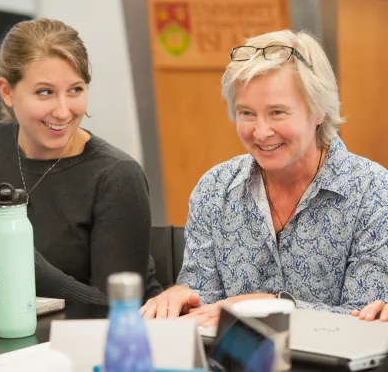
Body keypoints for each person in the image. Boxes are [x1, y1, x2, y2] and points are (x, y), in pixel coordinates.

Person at [141, 29, 388, 325]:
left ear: (319, 111)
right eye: (246, 113)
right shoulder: (214, 188)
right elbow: (202, 300)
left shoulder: (372, 191)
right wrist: (179, 296)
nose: (260, 132)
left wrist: (270, 306)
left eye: (277, 113)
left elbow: (367, 320)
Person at [0, 18, 162, 303]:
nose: (63, 112)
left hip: (83, 341)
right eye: (45, 92)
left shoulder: (117, 175)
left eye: (75, 90)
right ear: (7, 91)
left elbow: (118, 307)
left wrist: (19, 260)